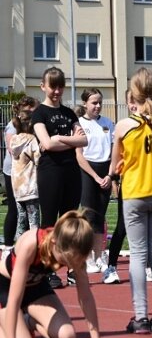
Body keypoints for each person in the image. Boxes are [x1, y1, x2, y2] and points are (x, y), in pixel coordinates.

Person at [0, 210, 119, 338]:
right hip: (5, 289)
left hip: (35, 286)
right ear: (54, 242)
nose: (67, 264)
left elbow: (86, 297)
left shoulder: (73, 248)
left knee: (67, 336)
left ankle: (28, 321)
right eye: (64, 260)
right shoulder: (31, 243)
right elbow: (14, 300)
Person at [108, 68, 152, 334]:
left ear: (134, 93)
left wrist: (120, 167)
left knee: (137, 254)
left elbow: (115, 164)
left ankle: (140, 317)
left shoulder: (124, 125)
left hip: (135, 192)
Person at [31, 68, 87, 290]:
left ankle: (72, 268)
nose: (56, 91)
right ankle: (48, 269)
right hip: (50, 172)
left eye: (60, 86)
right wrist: (70, 140)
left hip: (71, 171)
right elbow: (47, 144)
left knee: (70, 222)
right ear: (43, 86)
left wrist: (61, 138)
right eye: (52, 86)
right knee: (49, 222)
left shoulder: (69, 113)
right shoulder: (39, 113)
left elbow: (84, 141)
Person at [75, 89, 114, 276]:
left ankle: (99, 257)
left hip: (105, 170)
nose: (97, 106)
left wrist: (110, 175)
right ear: (85, 104)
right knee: (88, 218)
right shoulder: (79, 124)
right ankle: (88, 258)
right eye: (93, 103)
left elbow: (114, 150)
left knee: (100, 217)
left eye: (99, 102)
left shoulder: (108, 123)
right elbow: (79, 156)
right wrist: (95, 176)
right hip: (87, 172)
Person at [102, 89, 136, 285]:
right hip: (130, 185)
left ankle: (148, 267)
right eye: (130, 101)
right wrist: (112, 175)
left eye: (137, 100)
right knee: (122, 227)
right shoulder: (123, 128)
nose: (134, 105)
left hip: (149, 186)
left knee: (148, 231)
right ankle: (111, 267)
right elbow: (116, 159)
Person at [3, 97, 37, 246]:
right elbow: (13, 149)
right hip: (15, 173)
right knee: (16, 210)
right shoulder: (14, 125)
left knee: (23, 213)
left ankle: (22, 244)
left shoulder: (31, 125)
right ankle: (10, 244)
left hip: (24, 174)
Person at [10, 109, 41, 241]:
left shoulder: (14, 139)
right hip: (30, 184)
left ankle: (19, 247)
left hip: (17, 186)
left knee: (21, 220)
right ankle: (34, 249)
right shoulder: (31, 139)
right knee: (34, 220)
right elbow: (38, 159)